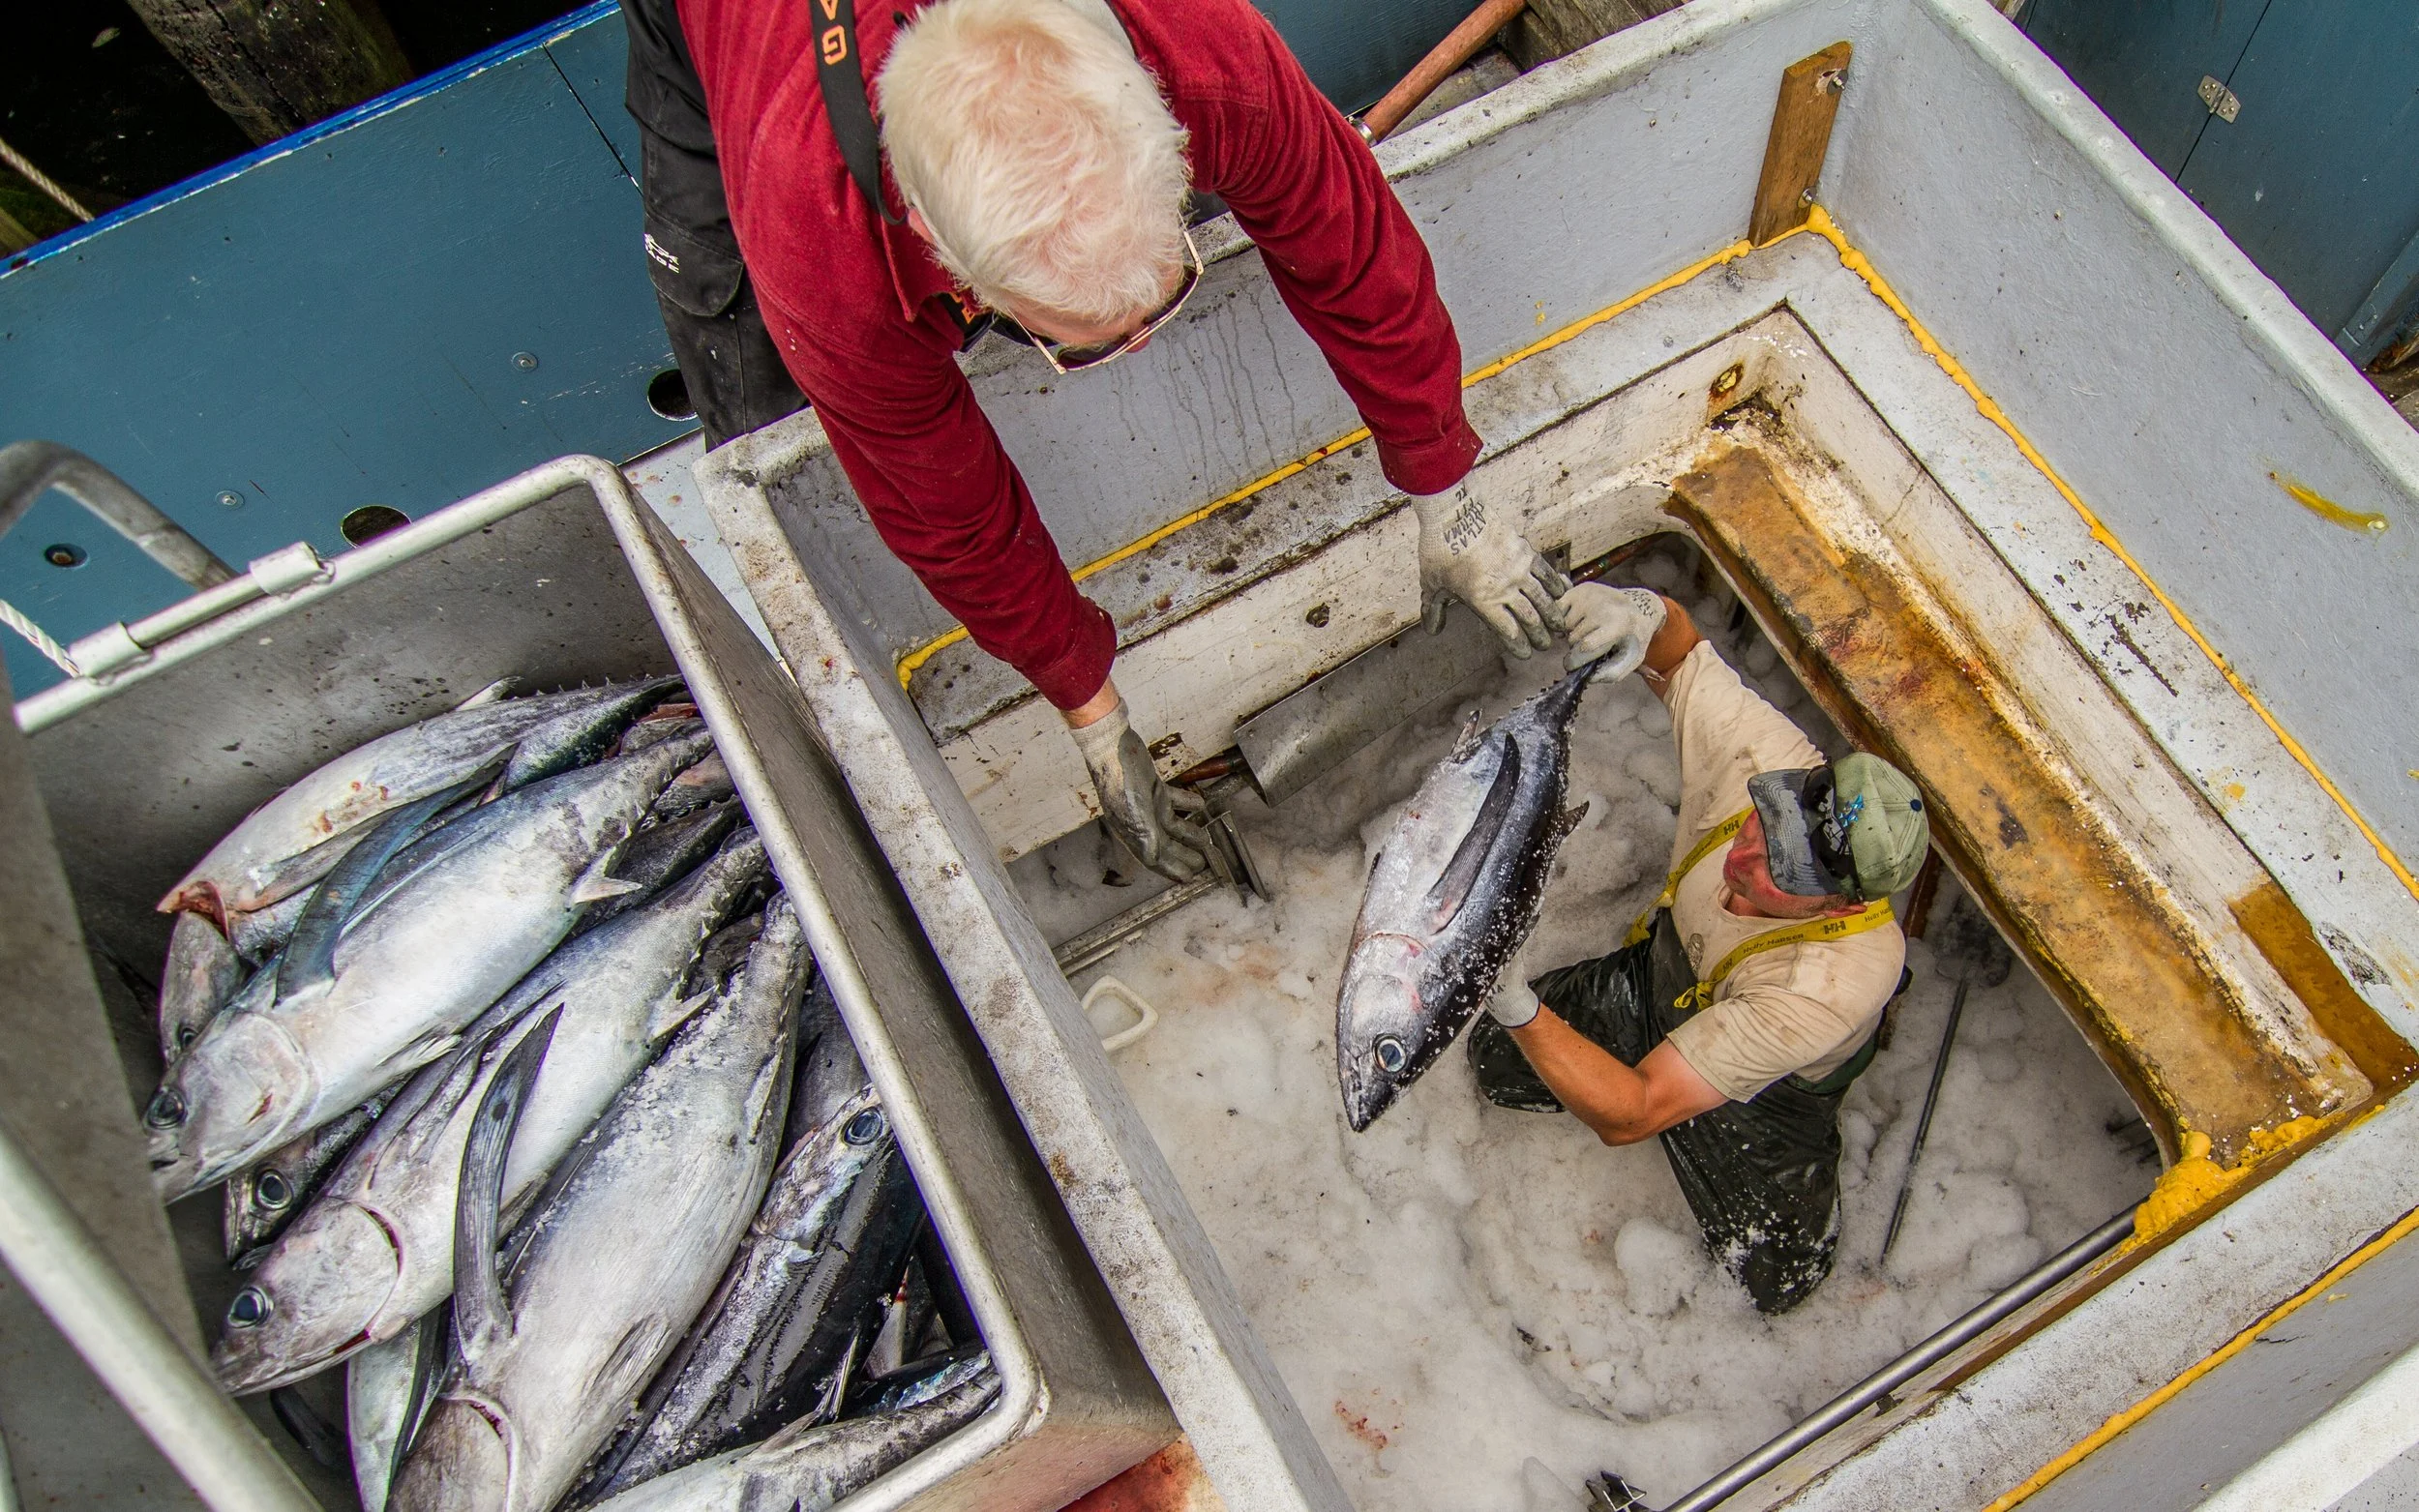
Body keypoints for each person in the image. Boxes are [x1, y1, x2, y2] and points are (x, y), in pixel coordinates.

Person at [619, 0, 1564, 880]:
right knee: (772, 421)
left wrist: (1448, 486)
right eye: (1077, 342)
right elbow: (944, 510)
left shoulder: (1199, 46)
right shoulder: (820, 242)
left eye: (1162, 293)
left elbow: (1351, 247)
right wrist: (1087, 708)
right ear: (957, 279)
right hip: (744, 32)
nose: (1138, 354)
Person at [1471, 581, 1930, 1313]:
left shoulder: (1829, 981)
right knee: (1494, 1064)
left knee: (1778, 1276)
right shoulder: (1767, 750)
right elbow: (1679, 649)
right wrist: (1637, 610)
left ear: (1845, 901)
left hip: (1767, 1088)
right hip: (1664, 974)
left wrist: (1519, 1002)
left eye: (1785, 871)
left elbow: (1634, 1112)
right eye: (1767, 818)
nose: (1747, 856)